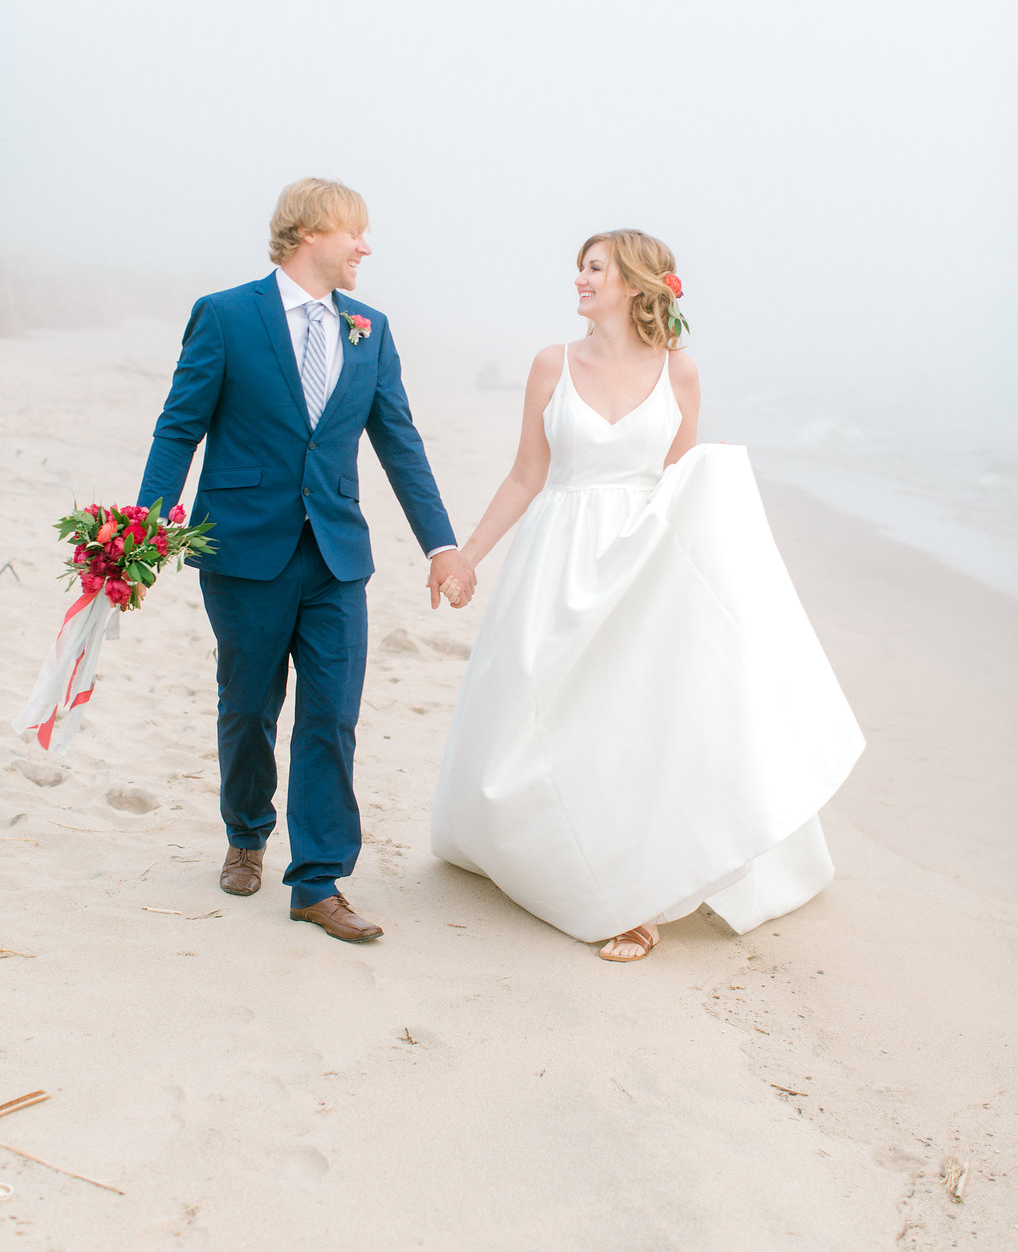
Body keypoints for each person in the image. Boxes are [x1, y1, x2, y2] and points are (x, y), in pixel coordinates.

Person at [431, 229, 864, 961]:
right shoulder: (551, 365)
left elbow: (685, 488)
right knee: (540, 710)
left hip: (638, 561)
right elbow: (524, 476)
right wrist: (465, 557)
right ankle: (553, 857)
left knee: (629, 717)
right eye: (580, 268)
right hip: (556, 557)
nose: (580, 280)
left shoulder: (680, 374)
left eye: (594, 268)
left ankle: (631, 886)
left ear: (634, 282)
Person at [138, 177, 475, 943]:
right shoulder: (226, 315)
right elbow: (178, 427)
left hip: (336, 556)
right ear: (308, 233)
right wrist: (146, 528)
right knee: (249, 707)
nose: (365, 247)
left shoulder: (370, 328)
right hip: (243, 549)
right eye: (354, 231)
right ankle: (247, 832)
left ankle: (318, 880)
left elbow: (400, 442)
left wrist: (441, 543)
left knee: (332, 716)